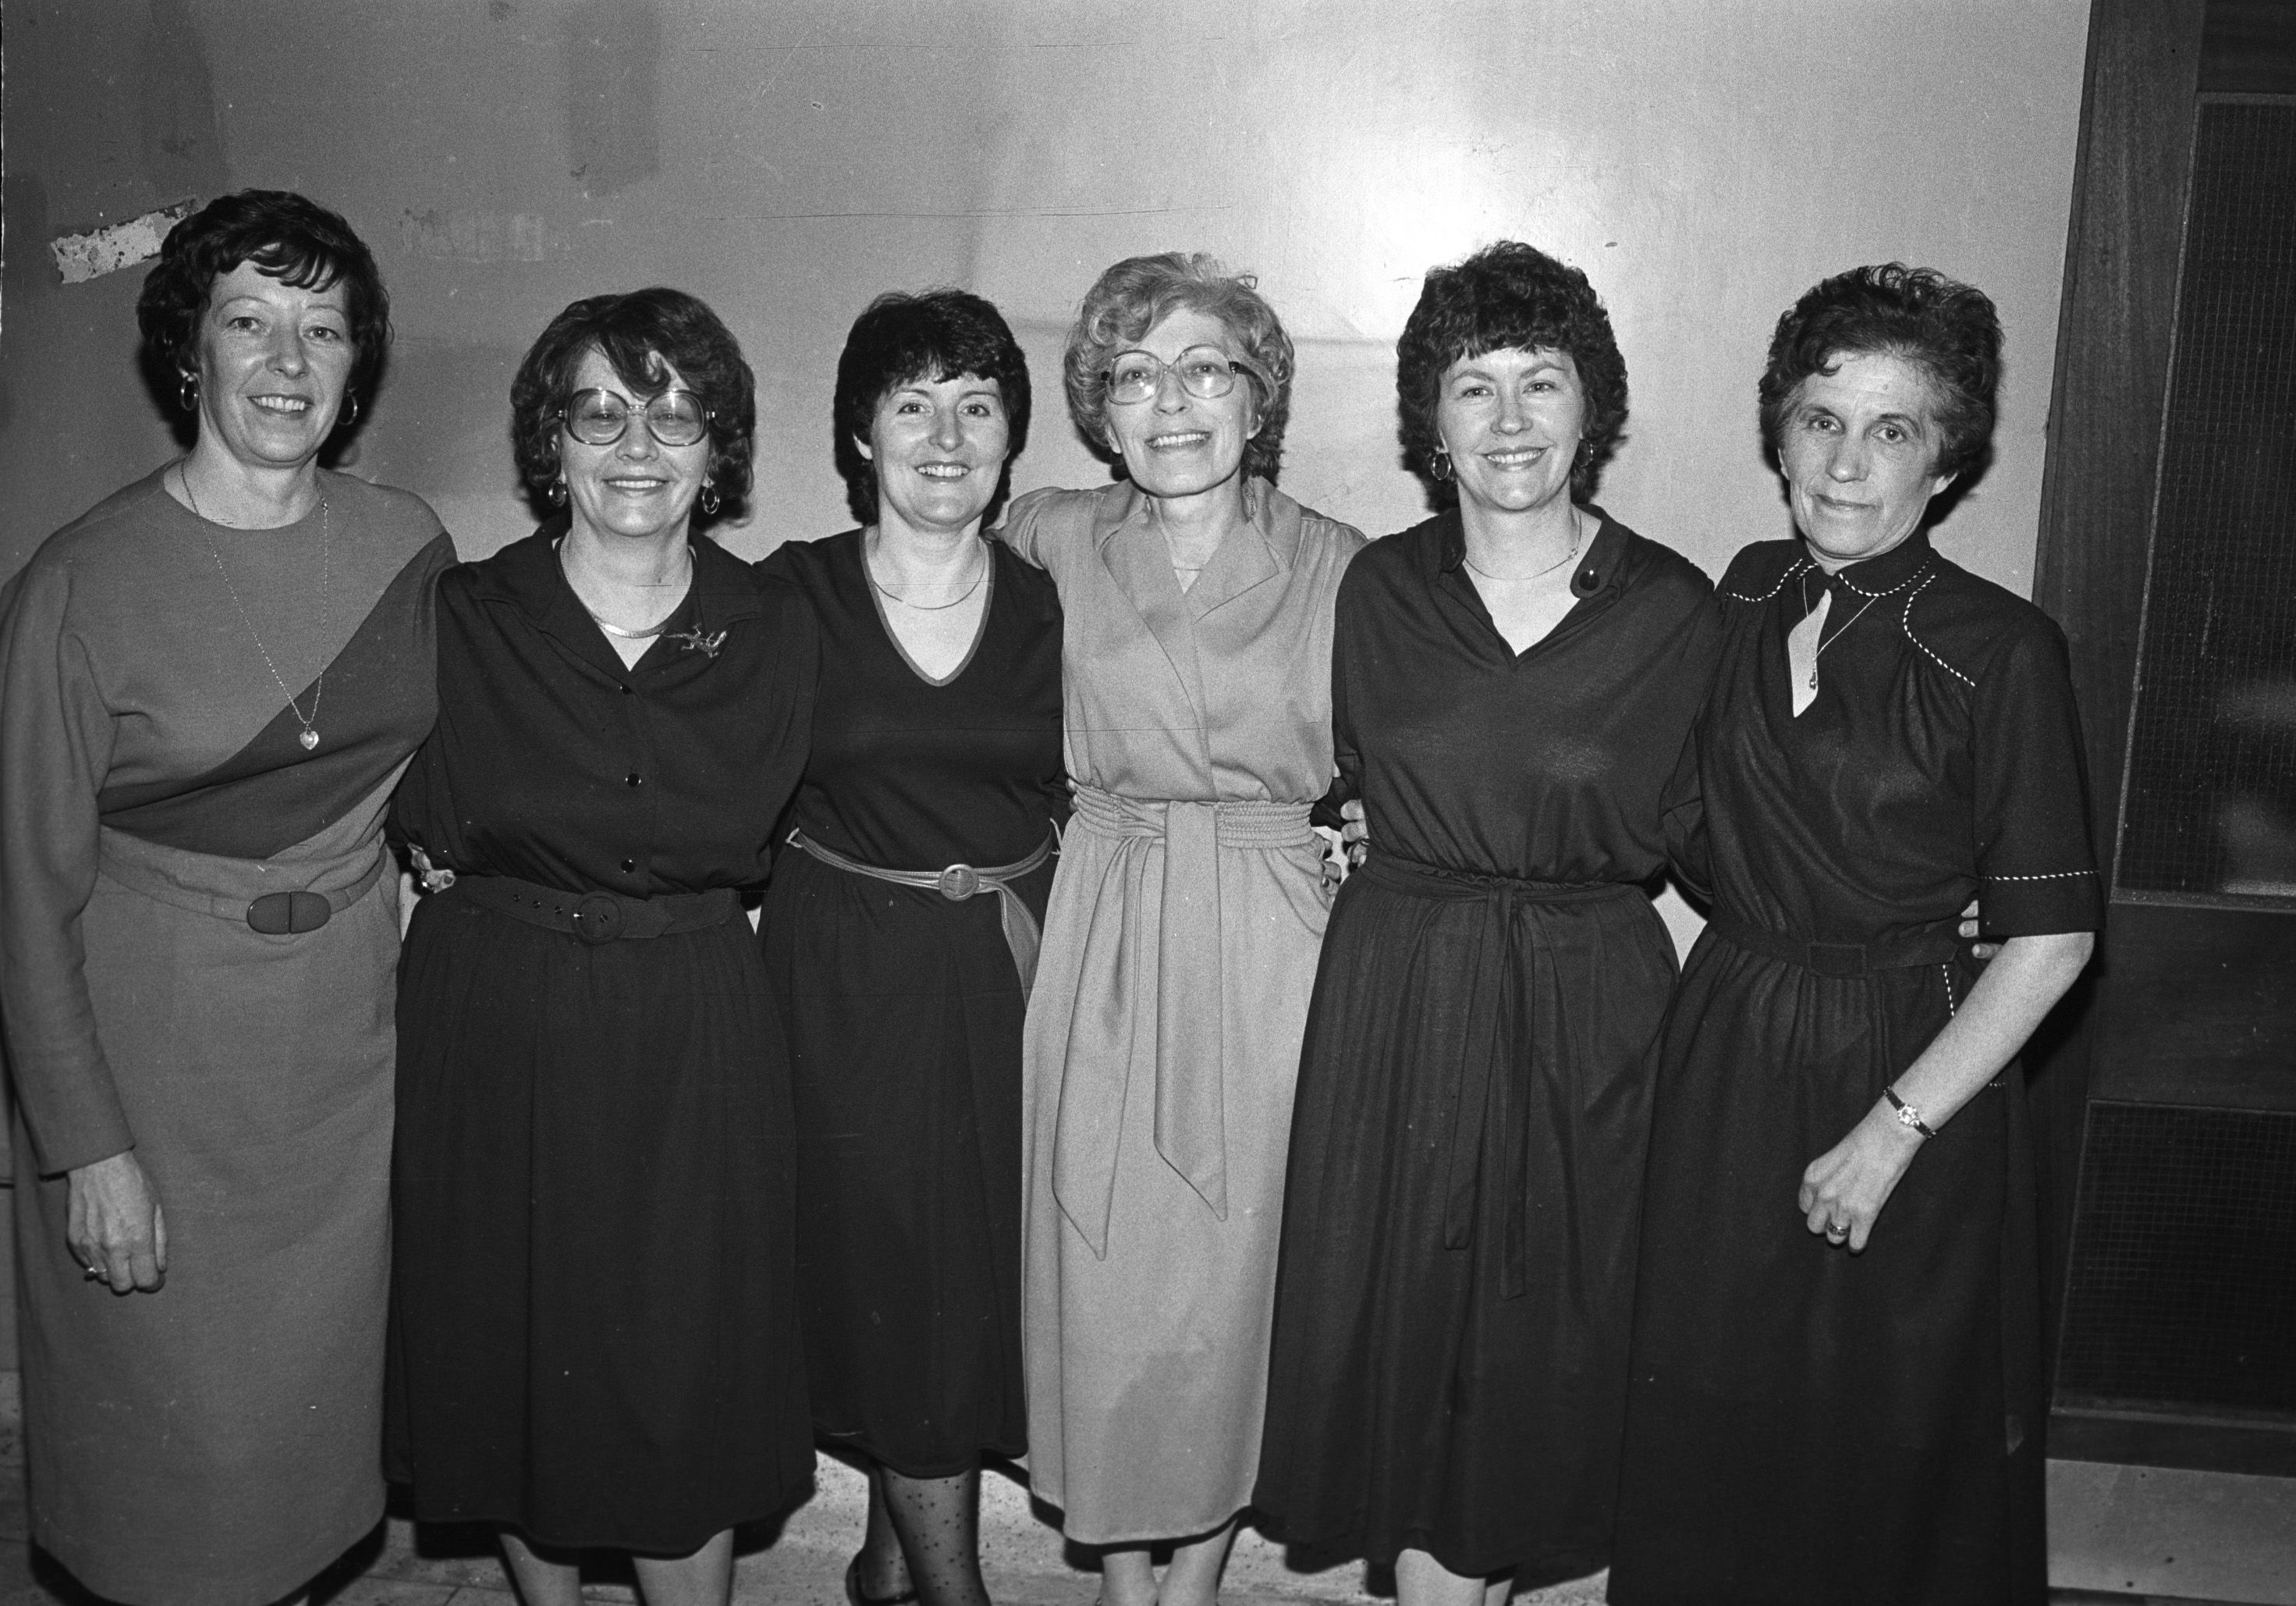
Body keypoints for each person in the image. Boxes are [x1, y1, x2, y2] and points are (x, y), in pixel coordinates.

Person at [1609, 265, 2100, 1606]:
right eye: (1823, 418)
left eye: (1894, 431)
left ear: (1947, 465)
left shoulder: (2002, 652)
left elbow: (2051, 942)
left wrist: (1893, 1129)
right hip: (1730, 1039)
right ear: (1779, 433)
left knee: (1884, 1442)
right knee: (1711, 1412)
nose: (1847, 461)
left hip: (1908, 1060)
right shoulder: (1748, 588)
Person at [0, 190, 452, 1606]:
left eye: (323, 329)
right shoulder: (79, 581)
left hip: (340, 1065)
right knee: (169, 1474)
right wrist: (89, 1149)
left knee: (309, 1462)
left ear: (357, 364)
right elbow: (19, 895)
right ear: (186, 352)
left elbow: (452, 785)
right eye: (248, 321)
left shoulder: (408, 542)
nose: (286, 360)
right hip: (156, 1070)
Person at [1252, 241, 1719, 1604]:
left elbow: (1730, 828)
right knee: (1405, 1354)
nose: (1510, 420)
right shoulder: (1376, 592)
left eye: (1543, 382)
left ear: (1594, 409)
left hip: (1590, 1015)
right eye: (1473, 386)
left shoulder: (1674, 610)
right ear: (1431, 423)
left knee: (1542, 1354)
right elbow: (1315, 765)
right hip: (1402, 1002)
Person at [386, 288, 818, 1606]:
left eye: (677, 414)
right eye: (602, 411)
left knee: (681, 1365)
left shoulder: (776, 625)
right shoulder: (461, 614)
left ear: (717, 448)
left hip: (692, 1018)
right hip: (498, 1010)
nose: (640, 444)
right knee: (516, 1349)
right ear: (552, 442)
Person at [1003, 251, 1364, 1606]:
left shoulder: (1340, 563)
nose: (1172, 402)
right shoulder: (1044, 533)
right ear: (1098, 405)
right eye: (1135, 373)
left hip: (1272, 941)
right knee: (1102, 1268)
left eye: (1206, 367)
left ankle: (1194, 1584)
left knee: (1235, 1279)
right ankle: (1117, 1583)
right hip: (1102, 910)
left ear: (1257, 397)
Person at [758, 290, 1064, 1606]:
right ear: (860, 436)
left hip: (1011, 975)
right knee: (897, 1280)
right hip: (846, 978)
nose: (947, 435)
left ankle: (887, 1565)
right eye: (912, 403)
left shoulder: (1059, 606)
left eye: (977, 404)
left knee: (971, 1286)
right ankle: (952, 1591)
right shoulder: (788, 594)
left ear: (1012, 440)